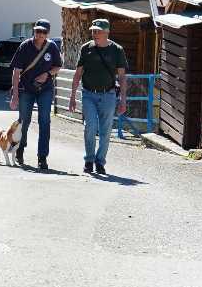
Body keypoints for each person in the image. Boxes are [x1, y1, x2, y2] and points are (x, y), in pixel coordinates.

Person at [69, 17, 128, 177]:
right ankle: (89, 160)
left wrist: (123, 100)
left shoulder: (117, 50)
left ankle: (100, 162)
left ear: (106, 32)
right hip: (88, 94)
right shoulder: (86, 48)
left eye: (98, 31)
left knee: (106, 130)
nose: (94, 34)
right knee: (90, 126)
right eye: (93, 31)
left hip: (108, 95)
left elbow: (122, 77)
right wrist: (72, 96)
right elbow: (78, 74)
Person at [9, 18, 63, 171]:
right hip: (26, 89)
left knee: (44, 122)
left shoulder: (52, 47)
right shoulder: (25, 46)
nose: (40, 34)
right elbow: (16, 72)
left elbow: (57, 66)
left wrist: (48, 74)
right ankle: (20, 149)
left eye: (43, 32)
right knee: (24, 121)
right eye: (38, 31)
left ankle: (42, 157)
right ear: (34, 31)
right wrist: (15, 94)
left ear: (47, 33)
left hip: (45, 90)